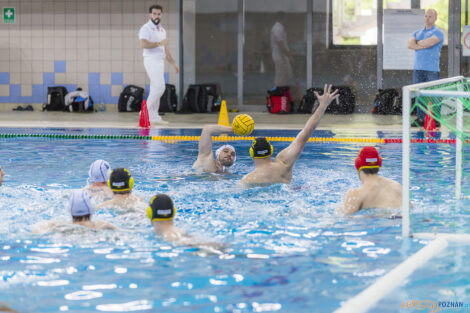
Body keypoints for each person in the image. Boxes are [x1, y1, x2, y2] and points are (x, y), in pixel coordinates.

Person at [241, 84, 338, 186]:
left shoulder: (248, 180)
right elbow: (305, 134)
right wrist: (322, 106)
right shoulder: (284, 163)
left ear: (252, 153)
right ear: (271, 150)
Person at [139, 4, 179, 125]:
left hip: (160, 61)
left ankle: (154, 116)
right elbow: (143, 44)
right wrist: (158, 43)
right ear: (150, 14)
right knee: (160, 87)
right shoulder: (145, 28)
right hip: (151, 60)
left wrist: (173, 63)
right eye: (154, 13)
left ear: (161, 15)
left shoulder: (162, 30)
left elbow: (165, 49)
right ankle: (144, 111)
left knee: (155, 88)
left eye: (159, 14)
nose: (157, 16)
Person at [336, 146, 402, 215]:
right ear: (379, 163)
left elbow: (342, 218)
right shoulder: (397, 186)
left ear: (357, 164)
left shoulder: (356, 194)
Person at [147, 194, 225, 251]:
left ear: (149, 212)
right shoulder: (179, 232)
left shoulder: (170, 236)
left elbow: (203, 247)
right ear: (173, 212)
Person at [407, 9, 444, 127]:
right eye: (426, 16)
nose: (427, 18)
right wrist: (422, 44)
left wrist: (417, 44)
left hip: (432, 69)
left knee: (434, 95)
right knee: (419, 95)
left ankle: (436, 119)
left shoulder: (439, 32)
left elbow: (429, 43)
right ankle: (421, 119)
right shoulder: (417, 32)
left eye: (430, 16)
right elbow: (409, 45)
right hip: (418, 68)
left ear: (435, 18)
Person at [33, 189, 117, 233]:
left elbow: (34, 232)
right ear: (91, 209)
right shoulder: (103, 225)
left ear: (70, 210)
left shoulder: (58, 225)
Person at [271, 12, 293, 87]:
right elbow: (280, 45)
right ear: (283, 18)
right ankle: (278, 94)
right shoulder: (278, 28)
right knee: (280, 77)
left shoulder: (280, 28)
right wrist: (289, 56)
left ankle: (281, 92)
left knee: (286, 74)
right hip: (280, 56)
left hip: (282, 56)